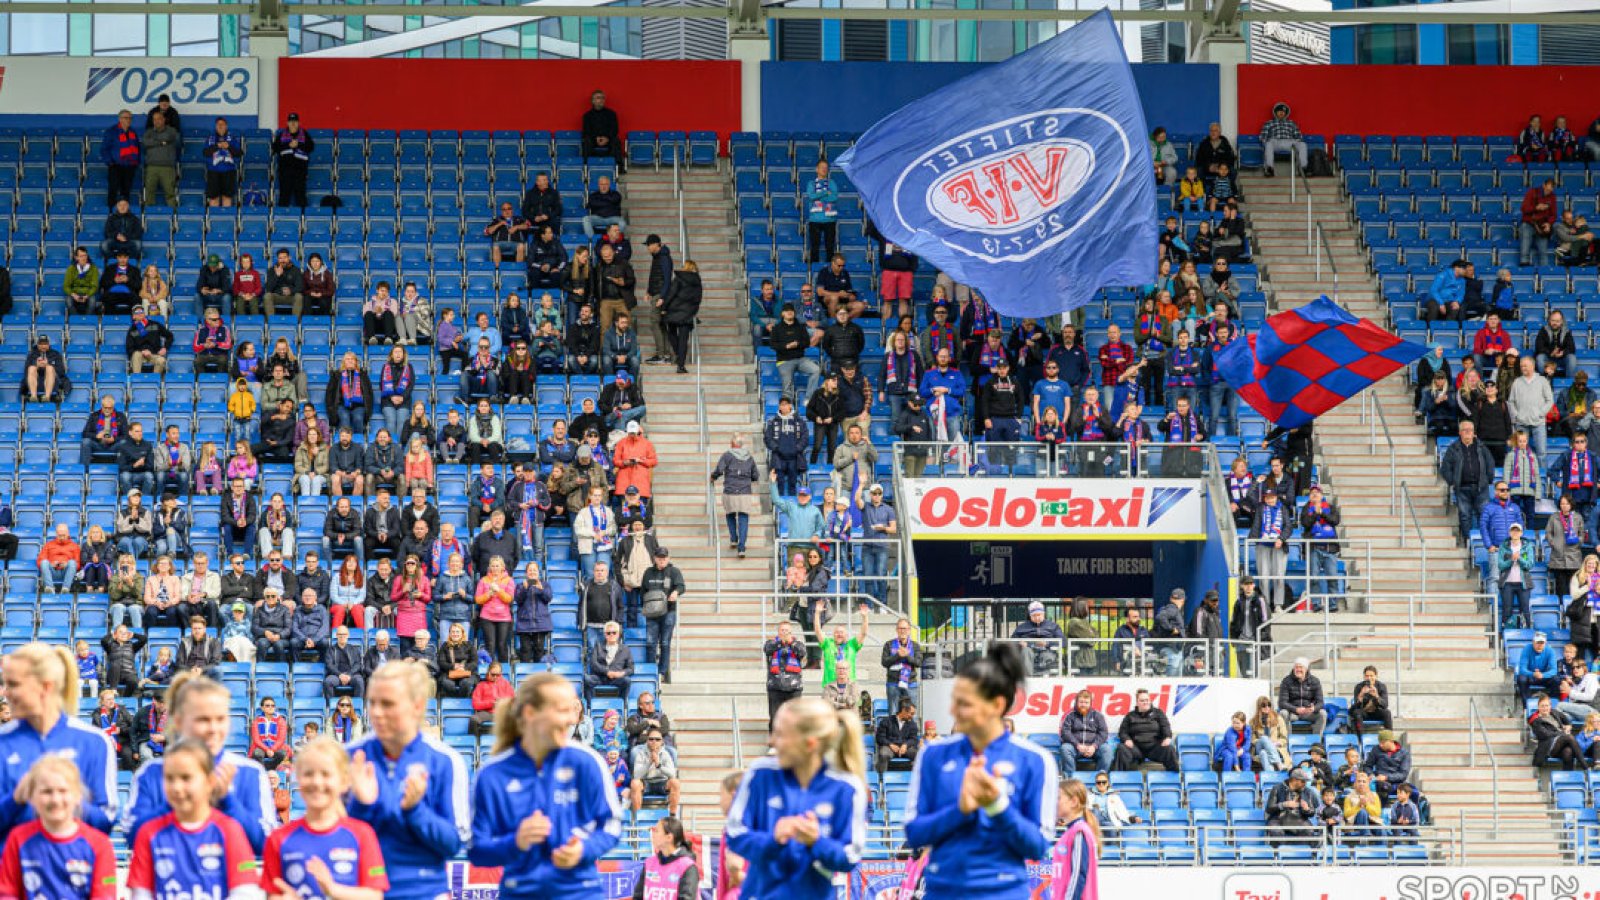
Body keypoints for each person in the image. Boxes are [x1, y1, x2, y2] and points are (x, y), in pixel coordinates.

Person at [903, 643, 1053, 900]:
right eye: (954, 701)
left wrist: (997, 807)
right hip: (943, 892)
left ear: (996, 705)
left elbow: (1037, 847)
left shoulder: (1036, 760)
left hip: (1005, 893)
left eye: (964, 704)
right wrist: (960, 810)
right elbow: (914, 833)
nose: (952, 711)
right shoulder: (932, 755)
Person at [470, 671, 621, 900]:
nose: (571, 719)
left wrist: (583, 849)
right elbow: (476, 851)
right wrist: (516, 842)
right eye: (562, 710)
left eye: (572, 710)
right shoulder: (492, 775)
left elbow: (611, 826)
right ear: (531, 713)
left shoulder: (587, 761)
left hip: (581, 892)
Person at [346, 660, 469, 900]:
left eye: (388, 704)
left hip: (424, 892)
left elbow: (452, 844)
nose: (377, 713)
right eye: (372, 703)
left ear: (416, 706)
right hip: (361, 892)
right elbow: (333, 842)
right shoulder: (350, 756)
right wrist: (361, 806)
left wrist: (415, 811)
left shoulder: (446, 760)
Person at [120, 672, 276, 850]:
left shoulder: (250, 772)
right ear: (179, 722)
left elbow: (264, 842)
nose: (213, 729)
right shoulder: (152, 772)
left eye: (220, 719)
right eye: (203, 720)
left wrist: (229, 801)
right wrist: (172, 802)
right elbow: (131, 836)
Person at [125, 742, 258, 900]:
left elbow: (245, 892)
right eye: (169, 778)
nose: (176, 787)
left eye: (186, 778)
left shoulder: (230, 830)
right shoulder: (149, 833)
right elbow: (141, 894)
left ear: (210, 782)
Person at [1441, 421, 1495, 546]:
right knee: (1465, 516)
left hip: (1481, 488)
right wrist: (1453, 481)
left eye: (1470, 430)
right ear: (1459, 433)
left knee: (1484, 515)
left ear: (1474, 432)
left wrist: (1488, 480)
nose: (1467, 432)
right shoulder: (1453, 449)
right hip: (1462, 489)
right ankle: (1468, 542)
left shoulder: (1481, 447)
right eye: (1464, 430)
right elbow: (1445, 468)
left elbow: (1490, 463)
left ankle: (1484, 543)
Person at [1049, 779, 1100, 900]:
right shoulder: (1071, 832)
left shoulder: (1079, 832)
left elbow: (1078, 875)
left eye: (1058, 798)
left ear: (1073, 801)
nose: (1055, 803)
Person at [1112, 688, 1179, 772]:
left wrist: (1168, 737)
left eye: (1147, 700)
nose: (1145, 702)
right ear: (1137, 702)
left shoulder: (1158, 713)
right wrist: (1126, 739)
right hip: (1136, 749)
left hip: (1154, 748)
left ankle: (1174, 779)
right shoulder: (1130, 716)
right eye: (1142, 700)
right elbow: (1122, 732)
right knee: (1121, 748)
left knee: (1169, 749)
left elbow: (1166, 727)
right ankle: (1119, 778)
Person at [1057, 690, 1114, 775]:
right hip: (1075, 747)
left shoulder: (1098, 715)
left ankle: (1100, 778)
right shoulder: (1070, 715)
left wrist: (1094, 746)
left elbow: (1103, 733)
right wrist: (1077, 745)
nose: (1083, 704)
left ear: (1090, 703)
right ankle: (1071, 779)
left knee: (1107, 750)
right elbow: (1065, 732)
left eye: (1086, 702)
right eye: (1081, 702)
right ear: (1077, 702)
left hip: (1094, 747)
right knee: (1065, 748)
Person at [763, 623, 808, 730]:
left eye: (787, 630)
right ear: (778, 632)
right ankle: (775, 745)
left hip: (794, 688)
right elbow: (767, 649)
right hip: (775, 687)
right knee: (775, 719)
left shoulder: (798, 644)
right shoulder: (771, 643)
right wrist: (781, 642)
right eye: (782, 630)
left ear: (791, 632)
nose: (784, 632)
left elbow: (801, 652)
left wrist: (790, 642)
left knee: (795, 719)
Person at [583, 621, 634, 706]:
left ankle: (622, 705)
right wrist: (607, 672)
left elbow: (631, 668)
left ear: (618, 634)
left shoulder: (625, 649)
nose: (611, 635)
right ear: (605, 634)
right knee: (587, 679)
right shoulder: (598, 646)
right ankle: (590, 706)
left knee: (627, 681)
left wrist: (621, 673)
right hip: (600, 677)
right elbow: (593, 663)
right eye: (608, 633)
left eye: (614, 633)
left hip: (616, 678)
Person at [1530, 694, 1583, 771]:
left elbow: (1567, 720)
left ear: (1550, 706)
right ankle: (1584, 765)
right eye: (1542, 706)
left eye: (1547, 705)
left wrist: (1568, 726)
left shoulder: (1554, 713)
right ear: (1538, 707)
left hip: (1561, 745)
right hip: (1548, 747)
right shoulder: (1536, 721)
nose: (1545, 708)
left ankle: (1567, 777)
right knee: (1568, 737)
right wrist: (1562, 733)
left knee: (1568, 752)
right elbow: (1547, 735)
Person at [202, 117, 242, 207]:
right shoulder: (210, 138)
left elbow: (239, 153)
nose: (220, 126)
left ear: (226, 126)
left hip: (229, 171)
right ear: (215, 126)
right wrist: (217, 146)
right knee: (213, 197)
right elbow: (205, 152)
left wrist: (228, 147)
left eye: (222, 124)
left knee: (227, 197)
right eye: (218, 124)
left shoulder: (232, 138)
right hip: (213, 171)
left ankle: (226, 219)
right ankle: (213, 219)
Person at [1259, 101, 1306, 177]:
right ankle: (1269, 168)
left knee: (1302, 145)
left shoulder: (1291, 123)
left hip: (1289, 142)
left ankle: (1302, 168)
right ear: (1275, 112)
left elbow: (1299, 136)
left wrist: (1297, 141)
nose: (1281, 113)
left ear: (1286, 113)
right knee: (1268, 144)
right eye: (1279, 111)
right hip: (1275, 142)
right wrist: (1266, 143)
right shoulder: (1269, 123)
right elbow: (1262, 136)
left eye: (1283, 112)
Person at [1520, 177, 1559, 267]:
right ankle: (1524, 267)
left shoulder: (1552, 197)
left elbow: (1553, 215)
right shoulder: (1532, 192)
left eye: (1550, 190)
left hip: (1542, 225)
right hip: (1529, 223)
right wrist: (1536, 208)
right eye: (1547, 189)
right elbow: (1524, 209)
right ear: (1543, 185)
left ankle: (1544, 272)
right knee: (1525, 248)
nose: (1548, 191)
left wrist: (1549, 224)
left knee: (1543, 251)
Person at [581, 90, 624, 170]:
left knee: (616, 141)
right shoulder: (587, 116)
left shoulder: (611, 114)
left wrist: (607, 138)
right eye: (598, 98)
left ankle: (618, 167)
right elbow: (586, 131)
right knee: (586, 141)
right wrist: (596, 138)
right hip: (593, 141)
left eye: (602, 98)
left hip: (608, 140)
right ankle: (587, 167)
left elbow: (615, 129)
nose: (601, 100)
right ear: (592, 101)